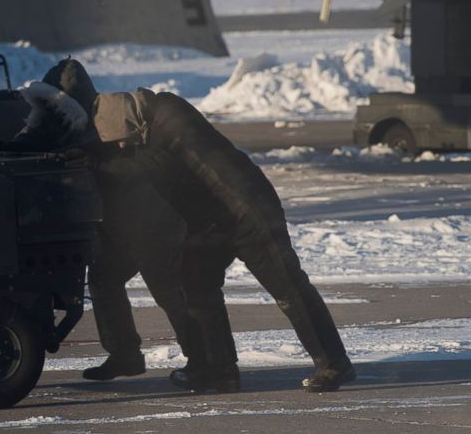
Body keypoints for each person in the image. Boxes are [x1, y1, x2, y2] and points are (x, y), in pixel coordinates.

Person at [91, 89, 355, 392]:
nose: (124, 147)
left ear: (131, 122)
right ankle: (218, 370)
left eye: (122, 139)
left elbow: (154, 164)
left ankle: (334, 363)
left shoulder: (171, 122)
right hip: (212, 221)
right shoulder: (152, 119)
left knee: (288, 287)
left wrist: (98, 169)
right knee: (195, 286)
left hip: (249, 212)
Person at [6, 60, 239, 387]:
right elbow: (33, 137)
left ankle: (207, 362)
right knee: (104, 278)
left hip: (152, 219)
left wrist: (93, 162)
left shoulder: (108, 123)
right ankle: (124, 354)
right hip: (117, 224)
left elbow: (141, 167)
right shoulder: (63, 121)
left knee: (172, 291)